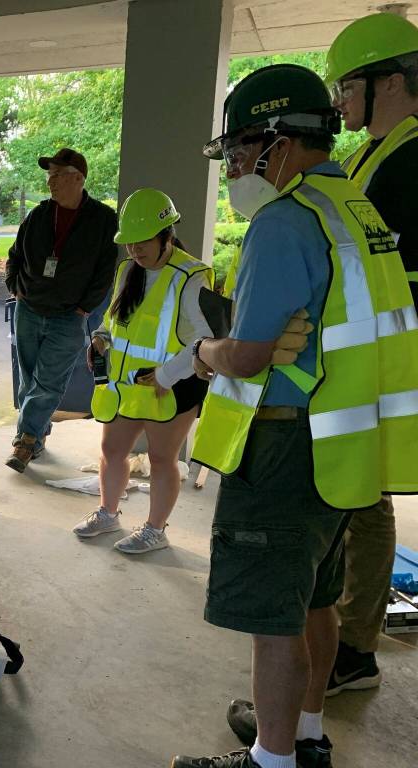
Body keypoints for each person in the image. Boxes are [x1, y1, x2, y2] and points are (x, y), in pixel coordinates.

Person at [172, 64, 418, 768]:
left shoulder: (283, 222)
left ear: (277, 140)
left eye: (240, 153)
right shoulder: (357, 211)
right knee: (315, 599)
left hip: (283, 447)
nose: (238, 169)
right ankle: (305, 733)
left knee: (273, 619)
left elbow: (249, 356)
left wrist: (207, 349)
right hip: (342, 448)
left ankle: (270, 759)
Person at [321, 10, 418, 696]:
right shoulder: (371, 154)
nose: (340, 101)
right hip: (355, 360)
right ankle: (347, 639)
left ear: (390, 81)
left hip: (383, 363)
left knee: (365, 498)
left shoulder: (413, 160)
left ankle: (353, 649)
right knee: (355, 497)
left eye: (348, 86)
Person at [73, 189, 213, 553]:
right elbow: (113, 321)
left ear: (167, 235)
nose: (135, 251)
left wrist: (167, 375)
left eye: (143, 242)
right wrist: (101, 339)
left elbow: (204, 340)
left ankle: (155, 529)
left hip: (173, 386)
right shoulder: (128, 270)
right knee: (112, 449)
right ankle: (108, 512)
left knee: (161, 458)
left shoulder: (191, 275)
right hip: (128, 385)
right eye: (129, 244)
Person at [4, 148, 119, 472]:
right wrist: (15, 286)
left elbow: (106, 271)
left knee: (48, 383)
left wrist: (84, 308)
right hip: (28, 309)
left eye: (57, 175)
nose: (50, 182)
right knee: (29, 381)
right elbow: (15, 255)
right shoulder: (39, 215)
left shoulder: (103, 220)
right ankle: (38, 437)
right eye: (49, 176)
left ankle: (24, 442)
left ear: (78, 178)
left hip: (68, 317)